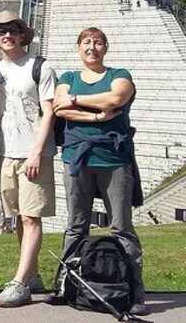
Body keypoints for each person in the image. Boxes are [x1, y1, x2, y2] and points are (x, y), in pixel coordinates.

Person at [51, 27, 148, 317]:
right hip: (77, 159)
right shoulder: (67, 77)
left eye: (97, 42)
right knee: (75, 226)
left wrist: (75, 100)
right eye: (86, 42)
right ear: (78, 47)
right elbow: (59, 108)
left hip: (113, 159)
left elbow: (115, 100)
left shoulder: (119, 74)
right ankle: (66, 285)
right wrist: (95, 115)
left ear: (105, 47)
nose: (91, 47)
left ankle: (135, 291)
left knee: (121, 227)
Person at [0, 10, 57, 308]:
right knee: (18, 217)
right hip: (7, 152)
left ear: (23, 34)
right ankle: (33, 274)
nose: (7, 34)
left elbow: (49, 111)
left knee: (31, 216)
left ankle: (19, 283)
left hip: (33, 153)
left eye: (13, 29)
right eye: (2, 30)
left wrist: (37, 152)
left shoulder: (40, 66)